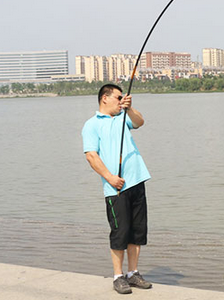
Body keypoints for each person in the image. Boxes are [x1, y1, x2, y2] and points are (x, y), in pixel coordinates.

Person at [82, 84, 152, 294]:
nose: (122, 101)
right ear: (105, 98)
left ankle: (133, 273)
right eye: (118, 98)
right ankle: (118, 276)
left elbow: (140, 122)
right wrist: (110, 178)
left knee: (137, 232)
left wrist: (129, 108)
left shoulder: (124, 117)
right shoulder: (92, 125)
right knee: (120, 233)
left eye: (123, 98)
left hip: (137, 181)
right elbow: (91, 156)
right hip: (116, 189)